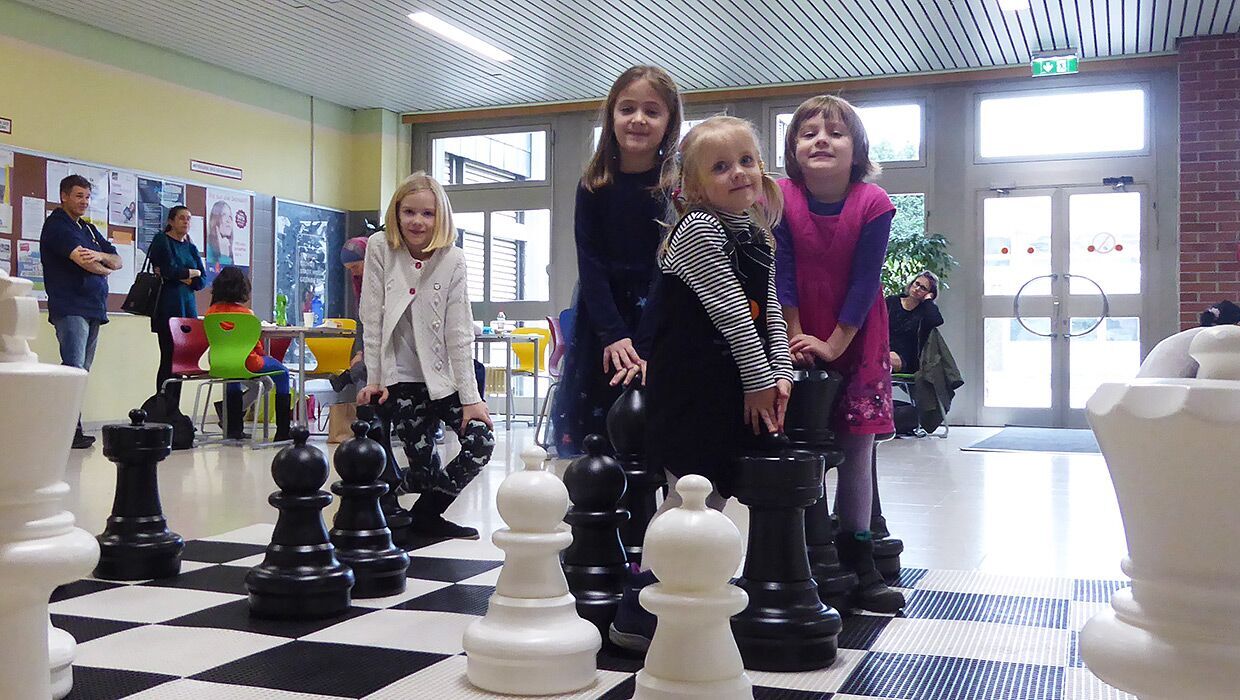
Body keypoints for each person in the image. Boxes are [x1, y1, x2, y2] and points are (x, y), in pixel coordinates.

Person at [610, 116, 793, 651]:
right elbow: (731, 312)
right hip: (691, 388)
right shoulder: (699, 230)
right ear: (692, 186)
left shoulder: (755, 234)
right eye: (720, 167)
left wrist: (781, 373)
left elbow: (770, 311)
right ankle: (639, 605)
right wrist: (760, 381)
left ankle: (683, 590)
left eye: (747, 161)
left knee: (711, 495)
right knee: (690, 494)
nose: (739, 173)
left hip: (729, 381)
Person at [774, 95, 905, 613]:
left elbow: (865, 280)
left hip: (856, 333)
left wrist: (834, 343)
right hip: (794, 330)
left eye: (835, 132)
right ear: (793, 149)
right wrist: (794, 335)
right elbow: (782, 271)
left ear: (857, 148)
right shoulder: (780, 197)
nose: (821, 141)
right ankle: (810, 555)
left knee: (857, 449)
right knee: (802, 445)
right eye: (808, 133)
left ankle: (860, 557)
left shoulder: (873, 202)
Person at [550, 65, 683, 457]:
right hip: (604, 323)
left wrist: (645, 342)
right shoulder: (594, 185)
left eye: (652, 111)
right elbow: (589, 263)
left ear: (669, 122)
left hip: (660, 319)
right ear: (611, 116)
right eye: (627, 109)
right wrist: (614, 335)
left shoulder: (677, 187)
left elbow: (670, 269)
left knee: (656, 437)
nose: (638, 119)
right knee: (598, 435)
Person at [357, 172, 495, 540]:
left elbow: (459, 332)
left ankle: (425, 515)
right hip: (399, 379)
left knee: (481, 442)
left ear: (441, 217)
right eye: (409, 212)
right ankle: (388, 503)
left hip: (443, 380)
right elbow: (372, 318)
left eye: (428, 214)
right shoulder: (379, 247)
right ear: (396, 213)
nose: (417, 221)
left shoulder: (453, 258)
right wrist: (374, 379)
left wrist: (471, 399)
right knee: (422, 469)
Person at [40, 174, 123, 449]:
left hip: (93, 307)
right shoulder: (57, 225)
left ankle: (70, 427)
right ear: (64, 196)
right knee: (73, 368)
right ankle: (67, 430)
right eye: (78, 196)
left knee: (82, 372)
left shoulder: (88, 229)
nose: (84, 202)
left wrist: (100, 256)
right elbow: (83, 261)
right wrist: (103, 267)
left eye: (87, 197)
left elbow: (117, 260)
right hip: (70, 306)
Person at [205, 267, 293, 441]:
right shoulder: (246, 315)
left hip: (219, 361)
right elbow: (256, 347)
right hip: (248, 361)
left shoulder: (210, 313)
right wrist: (265, 357)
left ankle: (233, 429)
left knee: (232, 378)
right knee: (282, 373)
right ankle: (283, 430)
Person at [148, 205, 205, 408]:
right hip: (168, 308)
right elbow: (168, 270)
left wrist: (187, 275)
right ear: (171, 221)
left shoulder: (191, 247)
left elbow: (202, 280)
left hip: (187, 311)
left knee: (181, 361)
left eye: (188, 218)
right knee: (168, 358)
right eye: (181, 218)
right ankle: (163, 406)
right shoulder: (162, 240)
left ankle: (175, 409)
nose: (186, 222)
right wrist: (192, 273)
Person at [1137, 299, 1240, 378]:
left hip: (1142, 391)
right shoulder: (1217, 339)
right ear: (1235, 324)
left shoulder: (1190, 336)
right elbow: (1211, 379)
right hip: (1163, 392)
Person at [886, 270, 943, 374]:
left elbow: (936, 320)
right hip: (884, 349)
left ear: (929, 293)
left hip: (907, 359)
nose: (917, 289)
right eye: (917, 284)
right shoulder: (891, 302)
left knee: (886, 359)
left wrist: (928, 300)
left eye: (923, 288)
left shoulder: (924, 312)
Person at [206, 200, 234, 267]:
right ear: (215, 220)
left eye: (230, 216)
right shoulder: (208, 249)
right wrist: (224, 256)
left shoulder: (229, 250)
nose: (228, 220)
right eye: (223, 215)